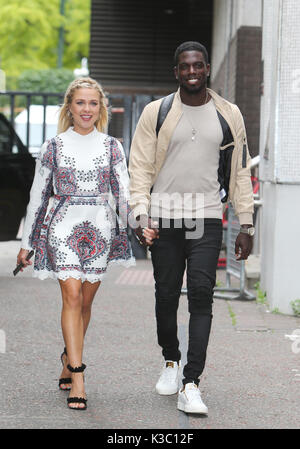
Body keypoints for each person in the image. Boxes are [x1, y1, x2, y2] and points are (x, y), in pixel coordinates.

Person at [128, 41, 254, 415]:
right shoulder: (158, 112)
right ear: (176, 72)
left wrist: (246, 222)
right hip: (165, 218)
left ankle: (191, 383)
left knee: (201, 295)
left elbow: (240, 170)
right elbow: (140, 169)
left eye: (198, 65)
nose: (192, 72)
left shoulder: (229, 113)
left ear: (207, 68)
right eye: (185, 67)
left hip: (207, 217)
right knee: (166, 297)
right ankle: (171, 359)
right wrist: (140, 215)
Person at [17, 77, 135, 410]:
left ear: (101, 109)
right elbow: (38, 196)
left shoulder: (112, 146)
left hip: (99, 228)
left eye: (93, 103)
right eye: (80, 102)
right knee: (70, 295)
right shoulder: (53, 146)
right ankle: (79, 375)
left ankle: (68, 358)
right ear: (70, 106)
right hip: (62, 226)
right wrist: (28, 242)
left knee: (84, 303)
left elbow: (122, 194)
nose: (86, 109)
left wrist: (140, 224)